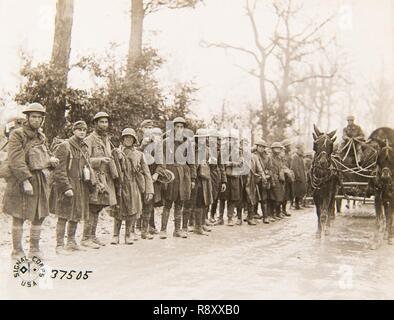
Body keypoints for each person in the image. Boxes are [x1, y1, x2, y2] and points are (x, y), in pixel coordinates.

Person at [3, 103, 59, 260]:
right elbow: (16, 160)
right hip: (20, 179)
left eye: (39, 117)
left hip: (39, 179)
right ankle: (17, 251)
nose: (36, 119)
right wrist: (25, 180)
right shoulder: (17, 134)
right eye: (33, 116)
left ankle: (34, 249)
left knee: (38, 215)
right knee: (18, 214)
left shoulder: (41, 136)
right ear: (27, 118)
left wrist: (51, 160)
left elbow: (44, 154)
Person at [52, 121, 94, 254]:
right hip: (68, 185)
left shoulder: (84, 147)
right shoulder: (65, 146)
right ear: (73, 131)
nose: (82, 132)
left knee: (76, 214)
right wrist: (66, 187)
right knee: (63, 215)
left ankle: (71, 242)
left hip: (80, 185)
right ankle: (59, 245)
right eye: (79, 129)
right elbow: (59, 170)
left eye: (84, 130)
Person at [111, 128, 154, 244]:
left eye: (131, 138)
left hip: (133, 185)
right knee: (118, 211)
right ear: (122, 139)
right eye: (126, 137)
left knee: (132, 210)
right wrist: (117, 157)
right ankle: (115, 235)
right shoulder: (116, 152)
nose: (128, 140)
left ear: (134, 140)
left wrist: (149, 190)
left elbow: (146, 173)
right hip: (120, 185)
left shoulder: (139, 154)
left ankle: (128, 234)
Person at [83, 111, 118, 248]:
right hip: (94, 179)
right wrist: (99, 160)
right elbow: (85, 160)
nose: (104, 124)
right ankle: (85, 238)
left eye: (106, 122)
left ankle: (92, 236)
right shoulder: (89, 139)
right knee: (91, 207)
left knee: (98, 208)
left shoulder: (107, 140)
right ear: (95, 124)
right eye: (101, 122)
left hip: (105, 178)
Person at [160, 117, 196, 239]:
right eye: (177, 126)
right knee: (168, 203)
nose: (179, 129)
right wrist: (164, 175)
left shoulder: (188, 143)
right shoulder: (166, 142)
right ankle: (163, 230)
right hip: (171, 174)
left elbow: (192, 161)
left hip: (184, 175)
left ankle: (177, 230)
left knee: (180, 203)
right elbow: (162, 160)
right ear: (173, 127)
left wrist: (193, 179)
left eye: (182, 126)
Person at [138, 121, 165, 238]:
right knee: (139, 201)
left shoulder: (157, 144)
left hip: (153, 177)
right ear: (141, 129)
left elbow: (161, 162)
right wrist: (142, 145)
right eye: (146, 128)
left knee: (150, 201)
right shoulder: (136, 141)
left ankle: (150, 226)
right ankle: (138, 227)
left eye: (151, 128)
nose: (149, 130)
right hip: (139, 176)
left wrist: (156, 174)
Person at [207, 129, 227, 224]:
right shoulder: (204, 149)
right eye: (215, 139)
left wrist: (223, 181)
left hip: (216, 176)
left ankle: (212, 215)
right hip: (206, 174)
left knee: (215, 197)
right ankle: (204, 217)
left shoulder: (219, 152)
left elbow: (222, 166)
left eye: (219, 140)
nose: (217, 142)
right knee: (206, 195)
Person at [254, 139, 272, 224]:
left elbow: (270, 169)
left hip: (263, 180)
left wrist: (267, 175)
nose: (261, 148)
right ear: (256, 147)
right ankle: (253, 215)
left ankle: (265, 217)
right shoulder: (253, 156)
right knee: (253, 198)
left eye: (262, 147)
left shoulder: (267, 157)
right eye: (259, 146)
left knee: (264, 199)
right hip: (254, 180)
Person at [268, 142, 287, 220]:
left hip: (280, 179)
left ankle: (278, 213)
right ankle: (272, 214)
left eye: (279, 148)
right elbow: (270, 169)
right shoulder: (270, 157)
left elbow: (281, 167)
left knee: (280, 197)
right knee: (273, 198)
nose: (278, 150)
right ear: (272, 149)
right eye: (276, 148)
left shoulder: (279, 158)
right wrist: (273, 179)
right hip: (273, 179)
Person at [291, 143, 307, 210]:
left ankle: (298, 204)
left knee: (301, 190)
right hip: (298, 177)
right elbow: (294, 167)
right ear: (298, 149)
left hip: (301, 175)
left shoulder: (300, 157)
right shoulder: (295, 156)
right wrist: (298, 176)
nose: (302, 150)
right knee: (297, 191)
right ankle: (296, 204)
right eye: (301, 148)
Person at [281, 139, 293, 216]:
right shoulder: (283, 156)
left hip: (288, 177)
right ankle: (280, 210)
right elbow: (283, 166)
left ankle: (284, 210)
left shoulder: (289, 155)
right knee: (282, 194)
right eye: (289, 146)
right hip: (283, 177)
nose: (290, 147)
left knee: (286, 194)